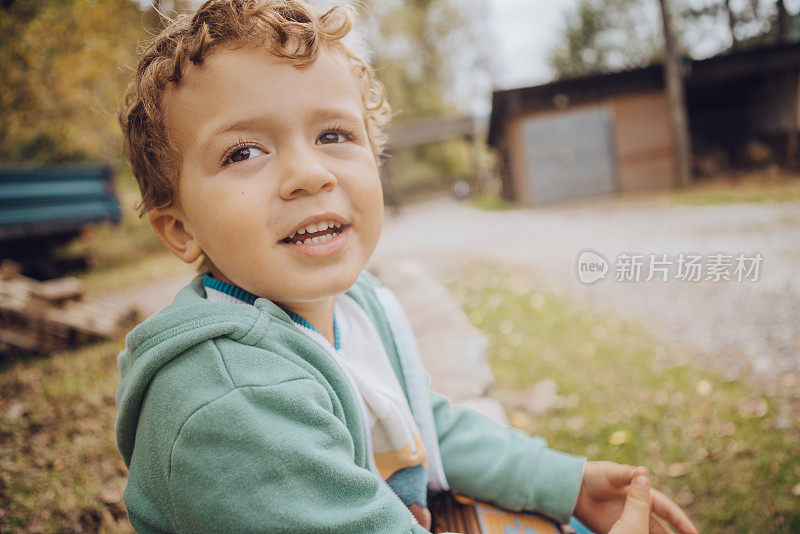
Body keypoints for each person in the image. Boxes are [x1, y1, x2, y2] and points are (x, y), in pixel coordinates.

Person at [114, 1, 698, 533]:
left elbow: (419, 422)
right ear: (180, 229)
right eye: (244, 152)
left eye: (334, 134)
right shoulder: (231, 403)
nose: (310, 174)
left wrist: (562, 482)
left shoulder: (352, 305)